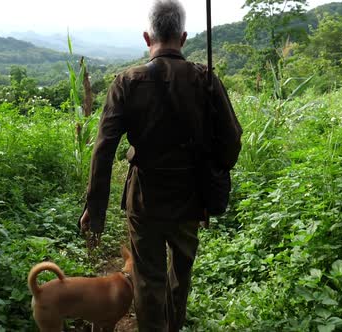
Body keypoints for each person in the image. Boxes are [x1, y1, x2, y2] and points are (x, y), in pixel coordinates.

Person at [79, 0, 242, 330]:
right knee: (180, 274)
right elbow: (232, 143)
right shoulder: (206, 79)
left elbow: (103, 151)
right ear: (182, 38)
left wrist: (94, 211)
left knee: (148, 279)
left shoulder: (126, 82)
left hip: (144, 200)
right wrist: (213, 171)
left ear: (146, 37)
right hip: (190, 197)